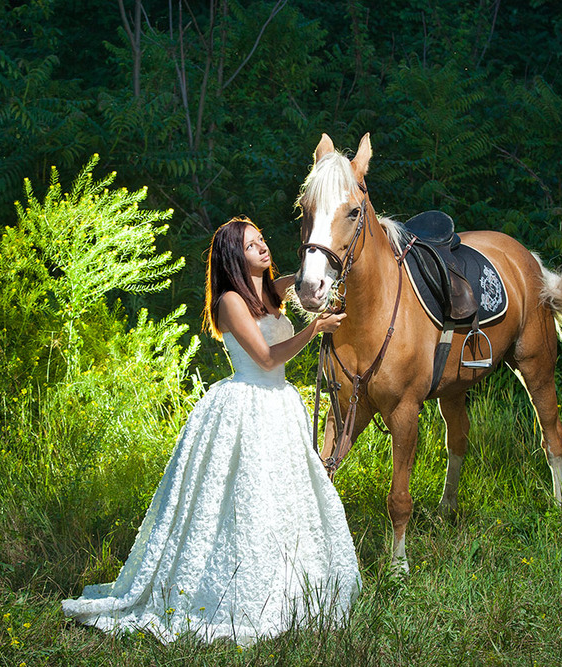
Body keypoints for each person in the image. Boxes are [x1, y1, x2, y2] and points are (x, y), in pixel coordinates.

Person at [62, 216, 361, 645]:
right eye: (252, 245)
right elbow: (264, 357)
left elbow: (294, 283)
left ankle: (292, 580)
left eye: (262, 240)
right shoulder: (230, 302)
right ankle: (230, 590)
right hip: (248, 402)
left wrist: (316, 269)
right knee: (241, 497)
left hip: (280, 405)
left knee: (284, 496)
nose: (263, 248)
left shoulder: (267, 290)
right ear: (233, 257)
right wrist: (313, 329)